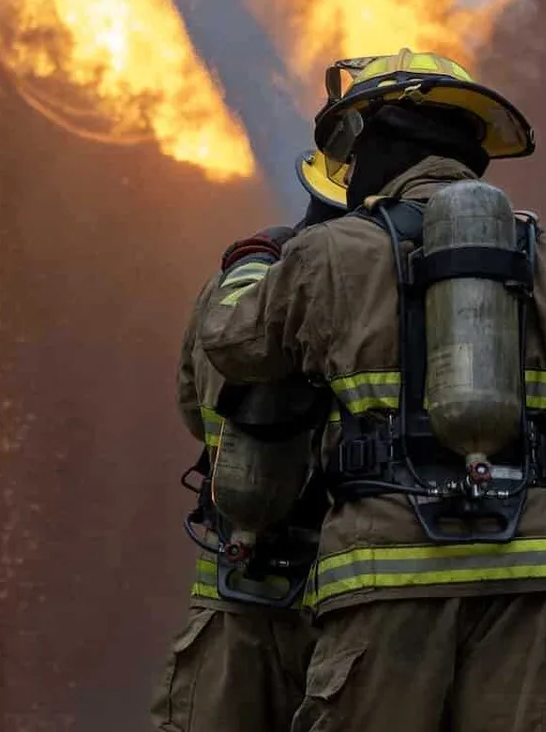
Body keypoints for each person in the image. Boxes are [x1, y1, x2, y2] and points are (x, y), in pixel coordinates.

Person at [200, 49, 546, 732]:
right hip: (533, 566)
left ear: (386, 145)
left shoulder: (333, 252)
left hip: (386, 568)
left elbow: (234, 345)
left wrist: (250, 266)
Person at [151, 149, 344, 731]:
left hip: (238, 590)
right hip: (356, 605)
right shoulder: (390, 293)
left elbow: (194, 407)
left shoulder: (233, 287)